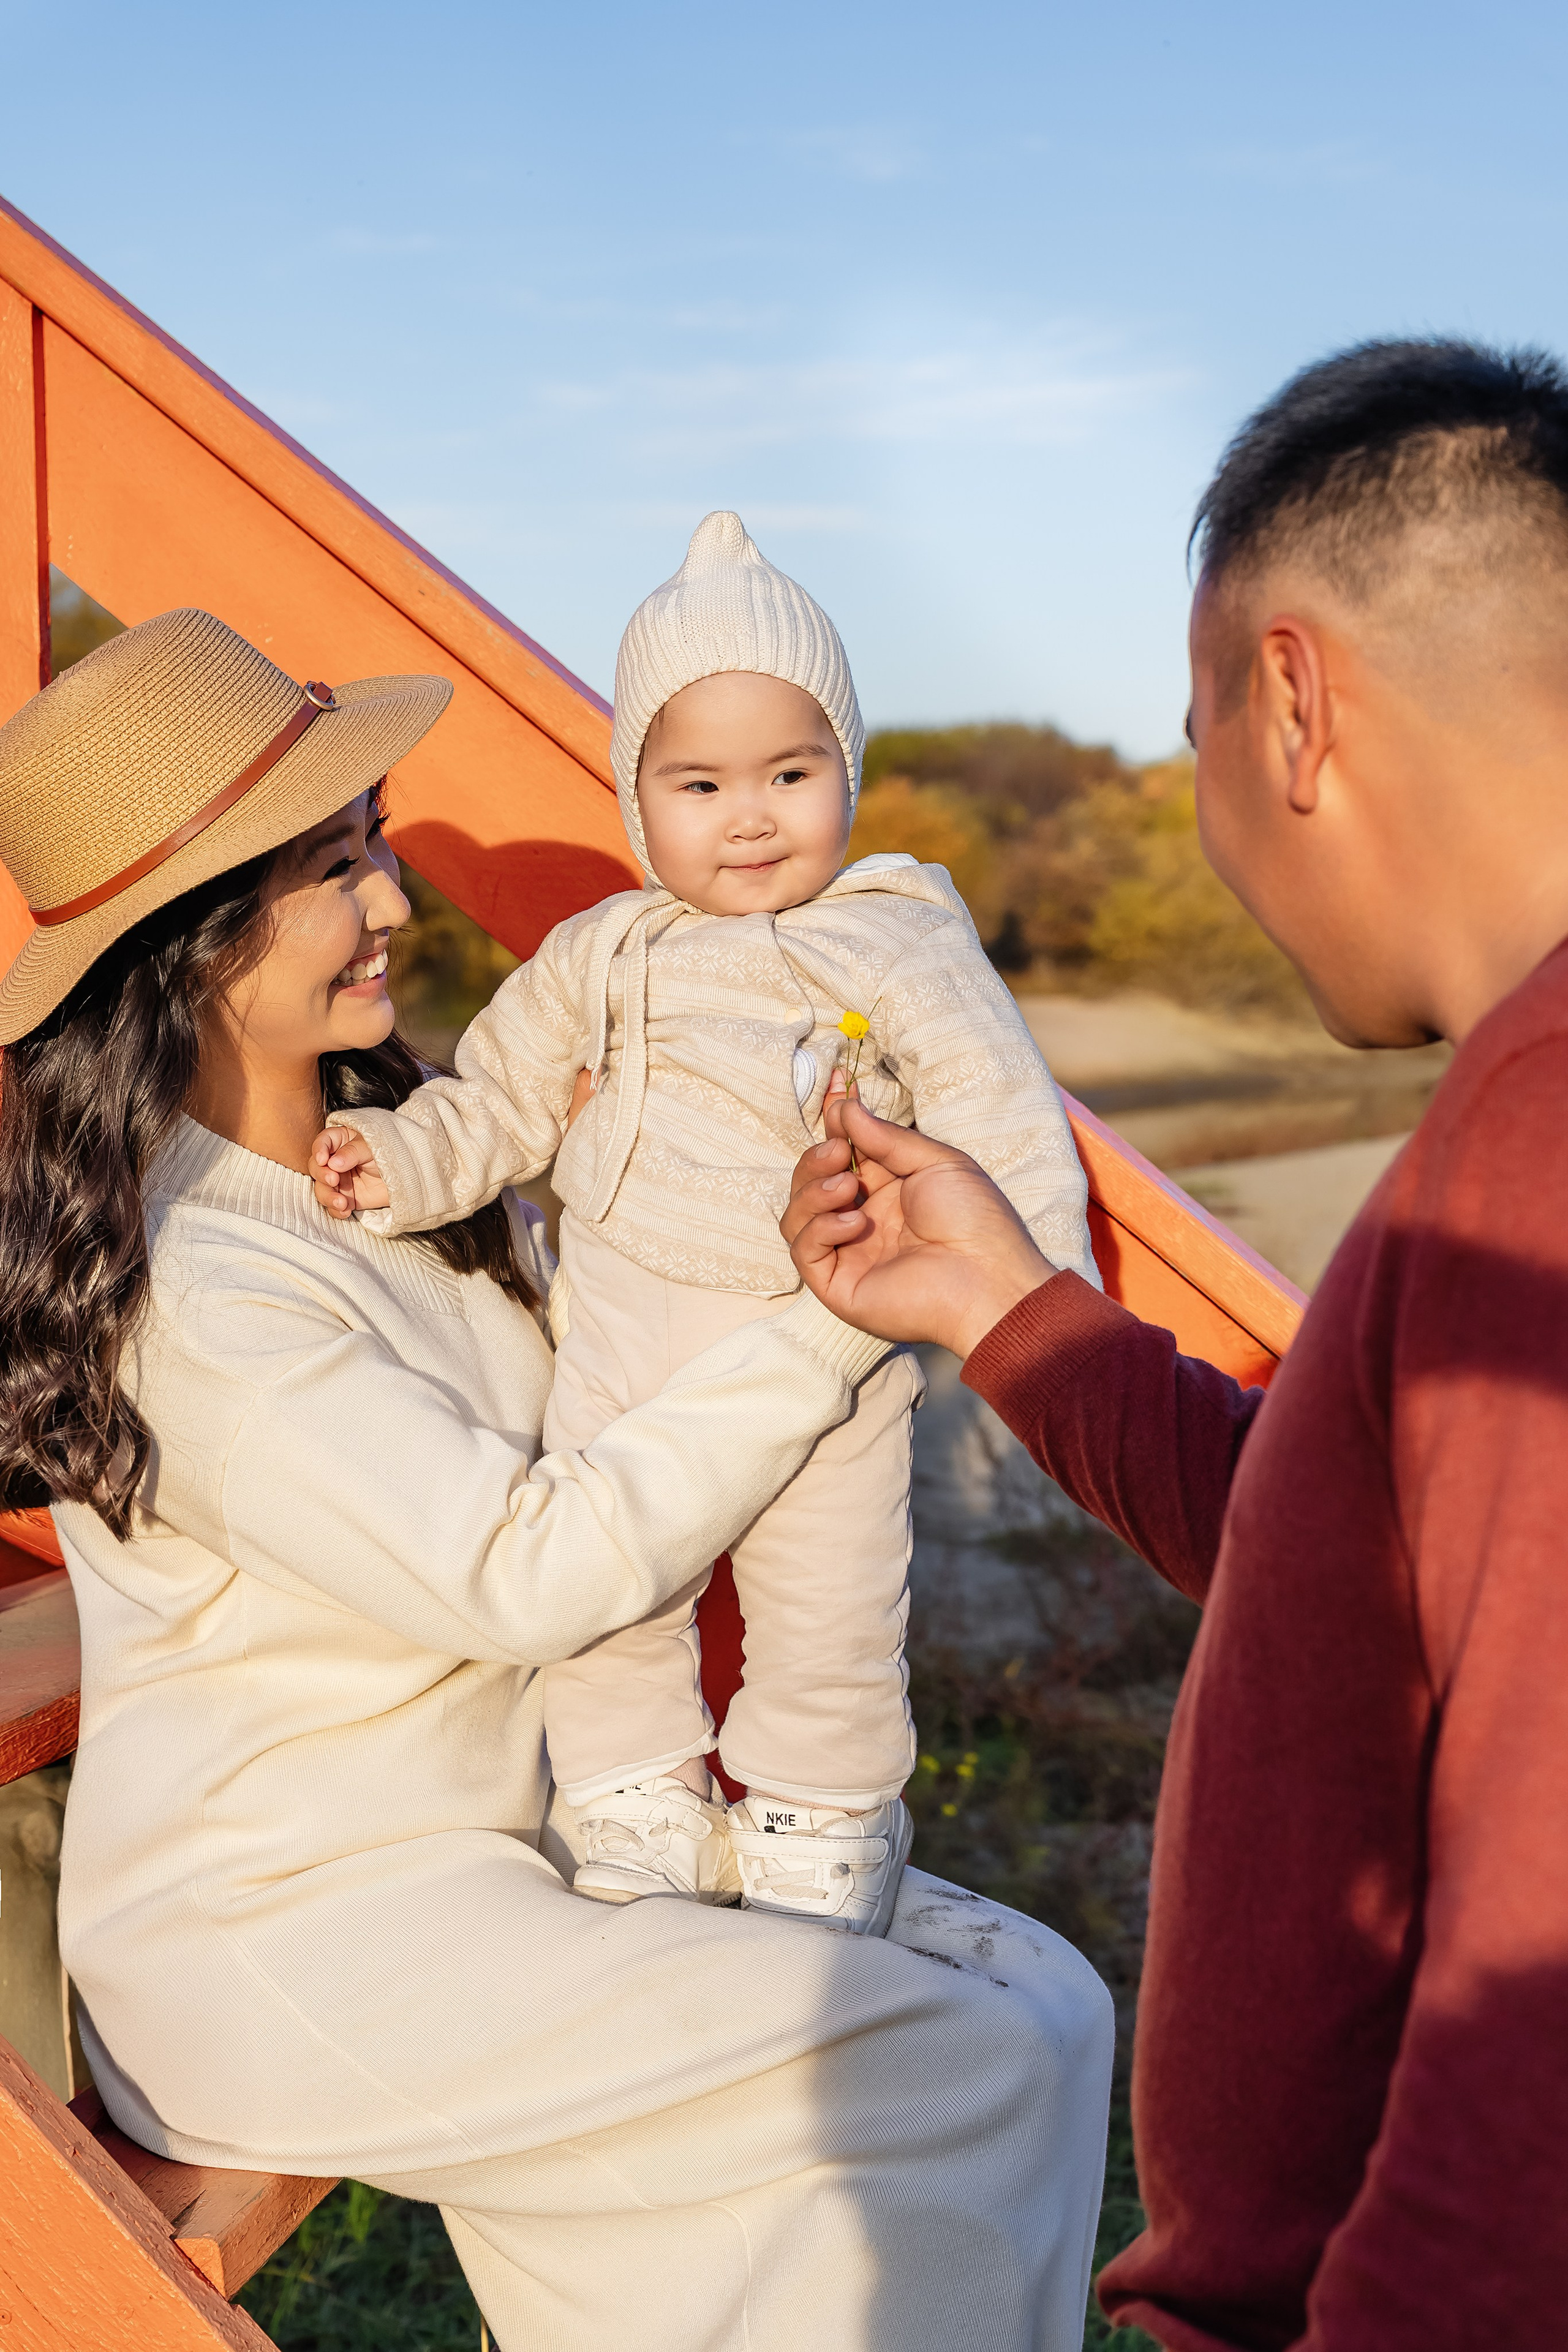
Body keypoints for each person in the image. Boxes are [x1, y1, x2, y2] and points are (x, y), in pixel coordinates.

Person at [0, 605, 1113, 2352]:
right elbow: (525, 1570)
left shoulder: (403, 1176)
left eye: (374, 843)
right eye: (332, 868)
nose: (392, 902)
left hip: (514, 1846)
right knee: (953, 2050)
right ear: (188, 943)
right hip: (291, 1934)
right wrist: (831, 1327)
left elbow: (614, 1360)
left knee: (1044, 1996)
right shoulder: (195, 1288)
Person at [782, 336, 1568, 2348]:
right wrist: (1000, 1305)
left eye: (1196, 726)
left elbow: (1542, 1983)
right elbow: (1348, 1568)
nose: (1208, 808)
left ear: (1294, 700)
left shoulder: (1544, 1135)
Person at [310, 510, 1095, 1930]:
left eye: (791, 774)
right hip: (621, 1312)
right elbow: (498, 1098)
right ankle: (635, 1798)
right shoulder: (603, 950)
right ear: (638, 798)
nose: (748, 817)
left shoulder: (896, 936)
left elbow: (999, 1112)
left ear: (844, 771)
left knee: (828, 1599)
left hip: (818, 1325)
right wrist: (397, 1162)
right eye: (699, 784)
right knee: (610, 1585)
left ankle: (818, 1824)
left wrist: (1046, 1315)